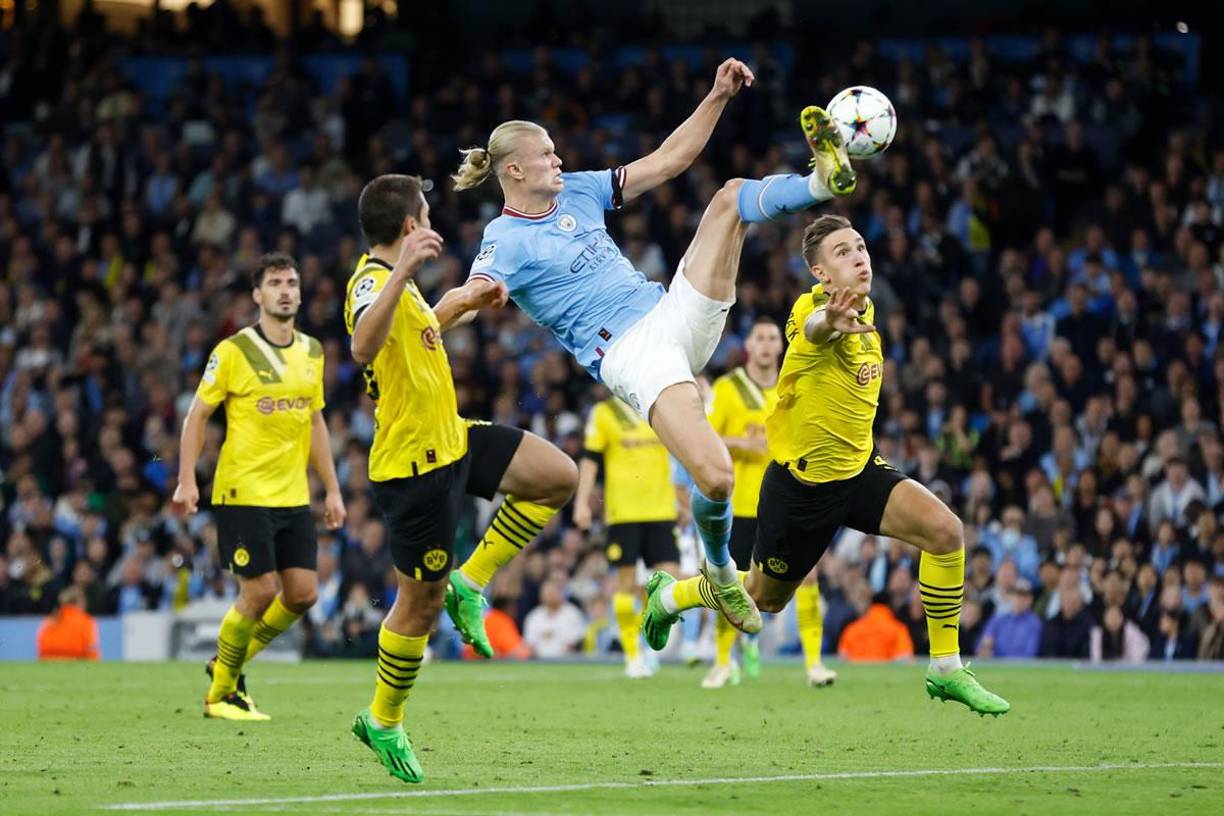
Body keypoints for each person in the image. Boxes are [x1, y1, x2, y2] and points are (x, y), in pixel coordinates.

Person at [455, 59, 858, 636]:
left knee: (730, 198)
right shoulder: (505, 240)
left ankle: (821, 182)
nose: (559, 160)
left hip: (670, 311)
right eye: (547, 154)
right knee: (717, 478)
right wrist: (443, 310)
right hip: (631, 354)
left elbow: (670, 161)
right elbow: (471, 291)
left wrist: (717, 95)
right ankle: (717, 574)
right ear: (514, 169)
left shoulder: (580, 191)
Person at [642, 214, 1010, 716]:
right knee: (761, 602)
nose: (859, 255)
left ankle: (945, 667)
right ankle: (671, 598)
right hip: (802, 487)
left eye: (861, 246)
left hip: (860, 471)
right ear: (820, 274)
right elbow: (814, 333)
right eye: (843, 252)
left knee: (946, 531)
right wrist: (828, 324)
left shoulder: (870, 312)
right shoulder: (811, 309)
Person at [343, 174, 578, 784]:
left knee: (556, 476)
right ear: (409, 227)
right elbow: (363, 346)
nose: (431, 223)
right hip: (413, 469)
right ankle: (383, 719)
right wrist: (403, 274)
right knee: (416, 608)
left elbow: (420, 330)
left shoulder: (405, 291)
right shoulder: (371, 282)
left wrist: (466, 303)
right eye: (424, 215)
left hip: (452, 438)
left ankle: (471, 583)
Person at [173, 253, 347, 721]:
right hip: (242, 491)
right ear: (257, 295)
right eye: (275, 283)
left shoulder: (312, 351)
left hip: (293, 495)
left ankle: (228, 665)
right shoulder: (232, 351)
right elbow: (197, 416)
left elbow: (315, 422)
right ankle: (221, 696)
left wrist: (331, 488)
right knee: (260, 591)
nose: (286, 290)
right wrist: (187, 479)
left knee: (303, 594)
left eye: (292, 282)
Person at [702, 317, 835, 688]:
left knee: (808, 576)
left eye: (772, 337)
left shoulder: (792, 386)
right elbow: (705, 436)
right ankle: (723, 662)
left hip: (786, 503)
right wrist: (741, 444)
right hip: (741, 503)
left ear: (781, 346)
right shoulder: (728, 389)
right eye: (759, 337)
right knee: (731, 586)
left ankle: (814, 665)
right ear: (749, 345)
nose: (765, 344)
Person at [573, 390, 680, 679]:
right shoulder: (604, 412)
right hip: (624, 513)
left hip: (661, 508)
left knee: (669, 581)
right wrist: (582, 502)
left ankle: (647, 643)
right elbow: (590, 459)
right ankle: (633, 655)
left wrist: (683, 495)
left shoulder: (658, 405)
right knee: (625, 583)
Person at [976, 579, 1042, 659]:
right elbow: (980, 647)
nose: (1020, 598)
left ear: (1031, 599)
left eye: (1024, 595)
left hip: (1020, 669)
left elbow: (1030, 654)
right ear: (1010, 596)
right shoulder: (997, 620)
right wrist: (985, 649)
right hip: (995, 668)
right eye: (1016, 593)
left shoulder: (1035, 623)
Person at [36, 587, 99, 660]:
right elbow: (90, 650)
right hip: (76, 662)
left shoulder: (50, 620)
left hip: (48, 661)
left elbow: (41, 645)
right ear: (79, 601)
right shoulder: (86, 621)